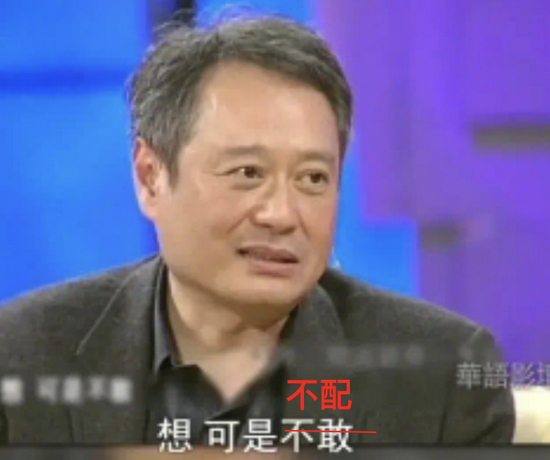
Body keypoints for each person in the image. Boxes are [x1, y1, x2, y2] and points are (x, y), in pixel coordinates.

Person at [0, 16, 514, 446]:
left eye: (313, 178)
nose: (283, 214)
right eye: (248, 173)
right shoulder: (22, 356)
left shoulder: (443, 378)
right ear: (150, 177)